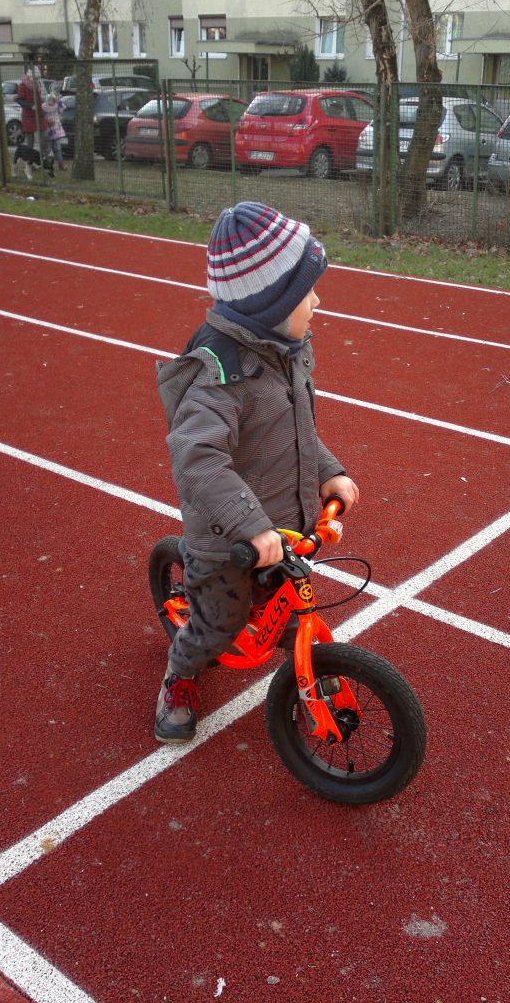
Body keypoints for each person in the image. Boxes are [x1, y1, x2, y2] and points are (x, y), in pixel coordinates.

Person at [154, 201, 360, 744]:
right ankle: (178, 678)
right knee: (215, 629)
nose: (317, 302)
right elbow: (197, 457)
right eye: (307, 292)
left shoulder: (286, 352)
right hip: (230, 539)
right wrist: (252, 526)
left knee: (287, 614)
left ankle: (308, 672)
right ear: (272, 304)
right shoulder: (219, 373)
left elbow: (295, 431)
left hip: (282, 530)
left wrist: (329, 472)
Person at [16, 66, 50, 155]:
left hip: (40, 114)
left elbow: (41, 98)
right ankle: (29, 160)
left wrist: (46, 103)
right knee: (30, 142)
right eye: (35, 78)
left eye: (38, 78)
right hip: (28, 116)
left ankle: (43, 157)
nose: (37, 80)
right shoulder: (22, 86)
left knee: (45, 137)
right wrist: (30, 106)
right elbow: (19, 99)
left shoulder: (38, 84)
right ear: (30, 77)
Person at [42, 91, 67, 171]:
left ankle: (61, 164)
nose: (51, 103)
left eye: (53, 100)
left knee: (57, 148)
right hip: (47, 130)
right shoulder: (43, 108)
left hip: (56, 130)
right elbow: (40, 117)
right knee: (47, 148)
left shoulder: (57, 106)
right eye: (50, 101)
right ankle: (44, 164)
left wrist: (58, 100)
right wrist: (47, 121)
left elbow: (63, 108)